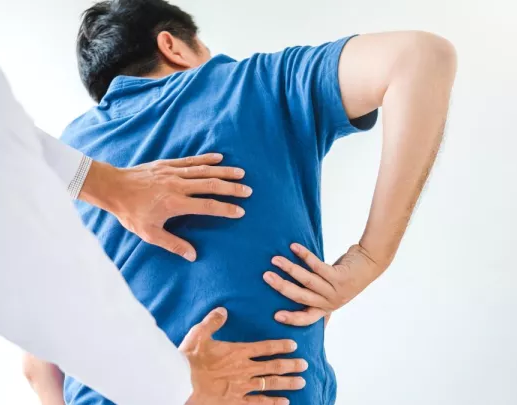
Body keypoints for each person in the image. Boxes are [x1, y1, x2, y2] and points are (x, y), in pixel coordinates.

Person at [0, 1, 311, 405]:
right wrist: (182, 387)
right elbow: (40, 282)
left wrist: (105, 183)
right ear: (172, 46)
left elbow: (36, 367)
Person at [23, 1, 457, 404]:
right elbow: (422, 57)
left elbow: (37, 366)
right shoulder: (254, 84)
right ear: (171, 45)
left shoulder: (68, 162)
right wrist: (370, 256)